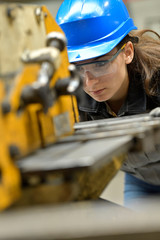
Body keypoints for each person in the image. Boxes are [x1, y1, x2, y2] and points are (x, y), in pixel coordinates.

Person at [56, 0, 160, 208]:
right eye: (77, 68)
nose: (89, 82)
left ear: (127, 52)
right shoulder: (70, 96)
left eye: (100, 64)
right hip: (142, 182)